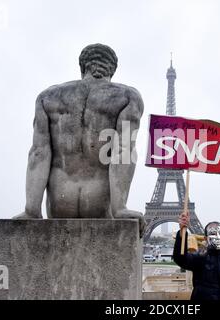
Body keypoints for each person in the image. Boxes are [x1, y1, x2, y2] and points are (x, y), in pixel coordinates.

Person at [13, 44, 145, 234]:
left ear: (83, 67)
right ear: (112, 69)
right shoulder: (127, 97)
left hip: (60, 201)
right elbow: (123, 151)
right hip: (99, 202)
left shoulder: (46, 97)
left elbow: (38, 153)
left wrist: (31, 210)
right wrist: (120, 209)